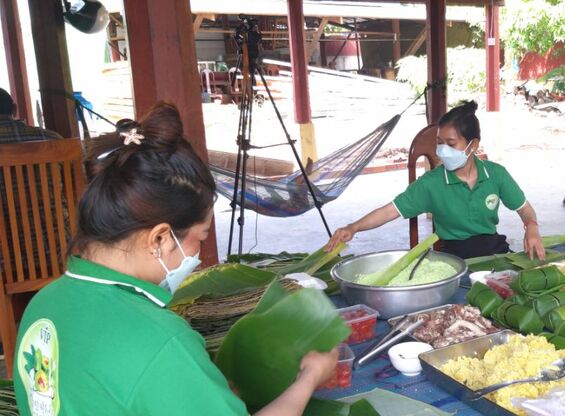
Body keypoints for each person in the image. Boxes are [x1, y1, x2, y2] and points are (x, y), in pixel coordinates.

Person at [13, 103, 337, 415]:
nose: (198, 256)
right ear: (160, 238)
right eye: (201, 238)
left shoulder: (43, 305)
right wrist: (309, 377)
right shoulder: (160, 338)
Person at [326, 101, 546, 260]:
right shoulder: (431, 184)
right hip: (453, 257)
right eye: (440, 143)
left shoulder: (495, 174)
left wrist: (532, 227)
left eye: (451, 144)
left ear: (473, 145)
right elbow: (390, 211)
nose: (442, 150)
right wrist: (353, 227)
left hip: (493, 251)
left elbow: (524, 208)